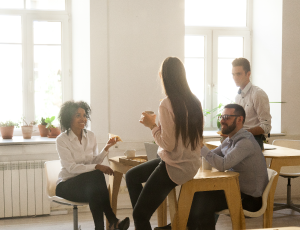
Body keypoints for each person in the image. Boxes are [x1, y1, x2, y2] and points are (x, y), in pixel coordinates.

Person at [125, 57, 204, 230]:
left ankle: (142, 215)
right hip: (190, 164)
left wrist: (152, 126)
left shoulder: (167, 104)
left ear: (164, 77)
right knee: (131, 176)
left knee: (138, 215)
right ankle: (143, 211)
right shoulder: (195, 102)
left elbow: (168, 145)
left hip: (174, 166)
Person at [187, 104, 269, 230]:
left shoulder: (245, 142)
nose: (222, 120)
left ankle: (184, 226)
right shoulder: (230, 140)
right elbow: (212, 156)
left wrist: (200, 146)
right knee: (199, 193)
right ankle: (185, 226)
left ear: (239, 119)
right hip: (235, 190)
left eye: (226, 117)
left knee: (204, 201)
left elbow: (223, 164)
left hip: (250, 199)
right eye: (221, 116)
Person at [55, 101, 130, 230]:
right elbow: (71, 168)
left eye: (84, 115)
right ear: (68, 117)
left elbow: (94, 162)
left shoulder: (91, 136)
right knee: (96, 177)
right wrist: (96, 167)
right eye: (78, 115)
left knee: (95, 189)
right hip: (66, 185)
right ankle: (112, 221)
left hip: (87, 187)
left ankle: (102, 226)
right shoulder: (62, 140)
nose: (83, 118)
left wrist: (106, 147)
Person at [232, 57, 272, 149]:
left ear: (248, 74)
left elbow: (266, 126)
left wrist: (245, 132)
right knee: (219, 149)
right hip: (240, 139)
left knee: (226, 156)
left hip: (254, 140)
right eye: (233, 74)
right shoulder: (237, 97)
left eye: (238, 74)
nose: (235, 78)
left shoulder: (258, 94)